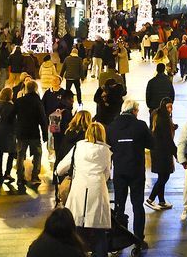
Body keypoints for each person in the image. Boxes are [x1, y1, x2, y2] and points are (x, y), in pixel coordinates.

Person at [56, 122, 113, 257]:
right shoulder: (106, 151)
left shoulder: (78, 147)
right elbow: (107, 174)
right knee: (99, 230)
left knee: (76, 227)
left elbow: (60, 169)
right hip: (97, 190)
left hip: (79, 189)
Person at [106, 100, 151, 253]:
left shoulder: (111, 127)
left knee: (119, 205)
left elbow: (108, 147)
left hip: (119, 172)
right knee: (138, 205)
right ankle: (138, 240)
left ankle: (118, 241)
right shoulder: (141, 126)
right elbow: (151, 144)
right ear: (134, 111)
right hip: (136, 171)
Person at [12, 79, 48, 193]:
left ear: (26, 89)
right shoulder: (38, 102)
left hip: (21, 133)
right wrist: (45, 134)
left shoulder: (19, 101)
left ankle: (20, 177)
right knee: (37, 154)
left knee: (20, 155)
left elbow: (12, 116)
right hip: (34, 133)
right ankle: (34, 176)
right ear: (36, 89)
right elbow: (43, 119)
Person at [146, 99, 175, 211]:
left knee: (161, 176)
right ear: (163, 106)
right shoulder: (164, 119)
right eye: (168, 107)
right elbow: (167, 139)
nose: (170, 109)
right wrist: (176, 153)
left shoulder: (156, 115)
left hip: (156, 150)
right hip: (163, 152)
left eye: (171, 107)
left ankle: (161, 201)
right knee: (164, 176)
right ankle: (150, 199)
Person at [0, 88, 17, 193]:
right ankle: (7, 173)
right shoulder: (12, 106)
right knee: (11, 152)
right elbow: (14, 120)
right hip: (9, 132)